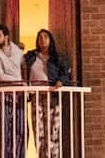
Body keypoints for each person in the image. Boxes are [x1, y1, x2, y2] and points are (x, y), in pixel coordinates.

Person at [23, 29, 71, 158]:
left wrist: (61, 81)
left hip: (52, 96)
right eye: (39, 37)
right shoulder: (31, 56)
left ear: (51, 40)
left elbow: (66, 74)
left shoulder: (58, 57)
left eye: (45, 37)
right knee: (39, 132)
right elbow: (19, 65)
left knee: (53, 132)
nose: (42, 39)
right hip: (36, 96)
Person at [0, 24, 25, 158]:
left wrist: (22, 85)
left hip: (19, 96)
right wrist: (20, 83)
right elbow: (0, 76)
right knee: (6, 131)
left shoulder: (17, 50)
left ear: (6, 36)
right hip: (4, 95)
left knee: (21, 130)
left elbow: (24, 68)